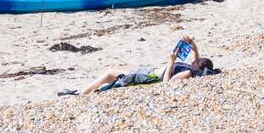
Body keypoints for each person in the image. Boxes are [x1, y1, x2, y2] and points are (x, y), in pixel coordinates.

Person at [76, 36, 215, 94]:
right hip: (149, 70)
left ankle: (82, 94)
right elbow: (196, 54)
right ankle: (86, 90)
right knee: (117, 66)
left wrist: (171, 61)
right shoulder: (193, 67)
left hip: (149, 76)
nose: (193, 60)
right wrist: (190, 42)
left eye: (196, 62)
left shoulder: (188, 73)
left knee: (110, 73)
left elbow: (166, 84)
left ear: (199, 67)